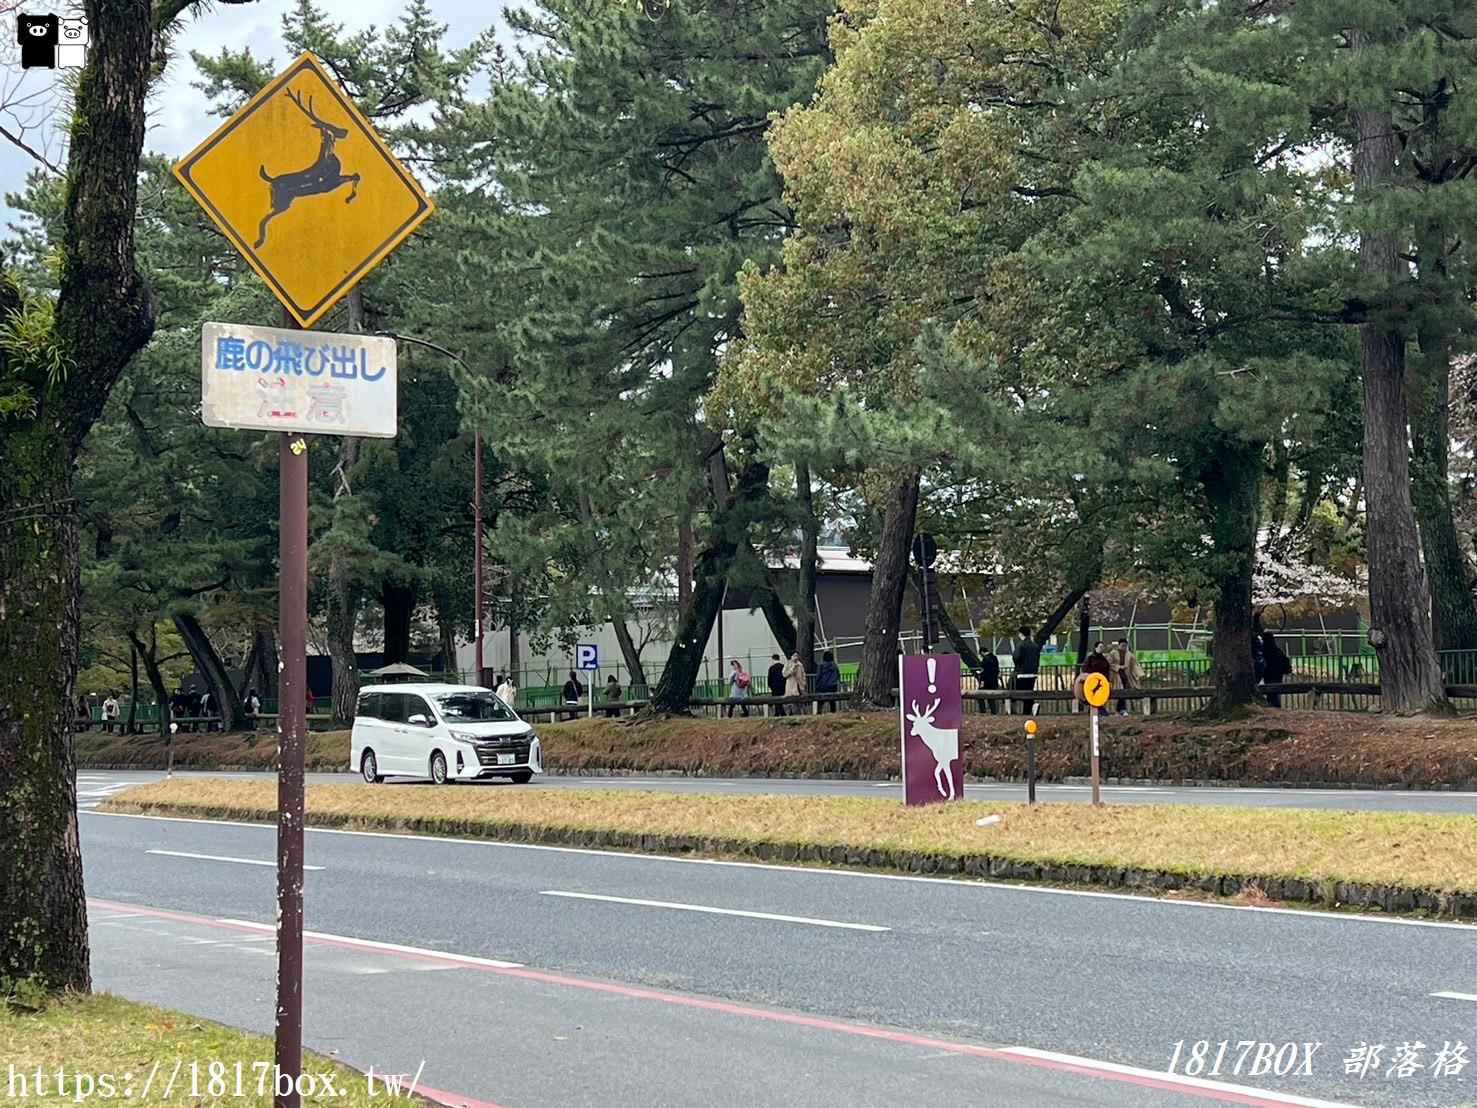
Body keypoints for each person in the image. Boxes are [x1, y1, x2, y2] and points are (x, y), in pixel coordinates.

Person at [1110, 638, 1144, 716]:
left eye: (1125, 646)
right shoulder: (1113, 653)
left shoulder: (1129, 654)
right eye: (1122, 646)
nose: (1124, 647)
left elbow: (1135, 665)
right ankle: (1121, 709)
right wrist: (1118, 667)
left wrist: (1140, 674)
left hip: (1126, 676)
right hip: (1116, 677)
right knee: (1119, 692)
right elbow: (1109, 664)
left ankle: (1121, 709)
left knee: (1124, 692)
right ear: (1118, 645)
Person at [1012, 627, 1041, 716]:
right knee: (1029, 692)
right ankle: (1027, 712)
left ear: (1021, 634)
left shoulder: (1020, 645)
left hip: (1022, 673)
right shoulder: (1035, 646)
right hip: (1033, 673)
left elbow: (1016, 657)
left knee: (1019, 693)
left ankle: (1033, 705)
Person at [1078, 641, 1111, 716]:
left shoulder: (1104, 659)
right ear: (1096, 648)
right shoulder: (1090, 658)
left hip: (1102, 681)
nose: (1102, 649)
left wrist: (1107, 681)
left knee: (1099, 696)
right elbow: (1084, 669)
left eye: (1103, 647)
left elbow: (1107, 670)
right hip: (1092, 680)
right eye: (1100, 647)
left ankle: (1094, 711)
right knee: (1094, 696)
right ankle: (1102, 711)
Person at [1261, 632, 1292, 708]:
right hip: (1278, 674)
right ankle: (1276, 707)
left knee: (1272, 695)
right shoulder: (1277, 650)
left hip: (1270, 675)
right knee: (1275, 694)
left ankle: (1275, 708)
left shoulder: (1266, 650)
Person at [977, 650, 1001, 715]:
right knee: (991, 698)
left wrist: (982, 681)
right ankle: (993, 712)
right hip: (993, 680)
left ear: (982, 652)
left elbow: (985, 671)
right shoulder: (994, 658)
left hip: (987, 681)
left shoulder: (985, 659)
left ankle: (982, 711)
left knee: (979, 695)